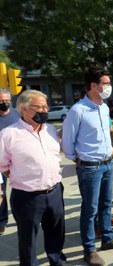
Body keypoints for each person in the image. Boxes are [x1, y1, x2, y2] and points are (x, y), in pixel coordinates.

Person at [62, 68, 113, 266]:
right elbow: (67, 143)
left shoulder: (104, 107)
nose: (109, 87)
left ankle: (107, 238)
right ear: (93, 85)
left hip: (108, 164)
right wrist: (80, 160)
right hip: (90, 167)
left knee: (106, 204)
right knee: (90, 209)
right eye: (106, 83)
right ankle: (89, 249)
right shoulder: (77, 110)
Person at [0, 90, 68, 265]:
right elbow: (3, 166)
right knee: (28, 239)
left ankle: (56, 260)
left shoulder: (50, 130)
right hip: (27, 196)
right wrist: (24, 177)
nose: (45, 111)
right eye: (40, 107)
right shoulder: (9, 134)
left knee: (56, 232)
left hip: (54, 192)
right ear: (24, 108)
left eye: (46, 107)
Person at [0, 89, 20, 235]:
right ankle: (2, 221)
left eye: (7, 100)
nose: (5, 103)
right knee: (1, 192)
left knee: (21, 189)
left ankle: (21, 216)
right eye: (1, 101)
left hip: (17, 159)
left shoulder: (17, 114)